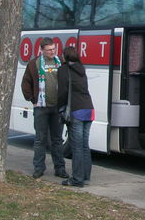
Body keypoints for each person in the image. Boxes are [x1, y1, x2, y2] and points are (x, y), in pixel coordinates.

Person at [21, 37, 68, 179]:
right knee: (40, 139)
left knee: (57, 140)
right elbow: (26, 83)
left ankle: (60, 169)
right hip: (41, 107)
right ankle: (39, 168)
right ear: (42, 50)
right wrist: (32, 100)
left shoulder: (61, 62)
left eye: (54, 49)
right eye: (49, 50)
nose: (52, 52)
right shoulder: (33, 64)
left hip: (57, 108)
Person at [57, 46, 94, 188]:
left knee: (76, 146)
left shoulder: (64, 70)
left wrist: (59, 108)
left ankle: (77, 179)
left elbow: (62, 92)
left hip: (76, 110)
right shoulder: (81, 69)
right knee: (85, 144)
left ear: (65, 57)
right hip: (89, 109)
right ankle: (85, 175)